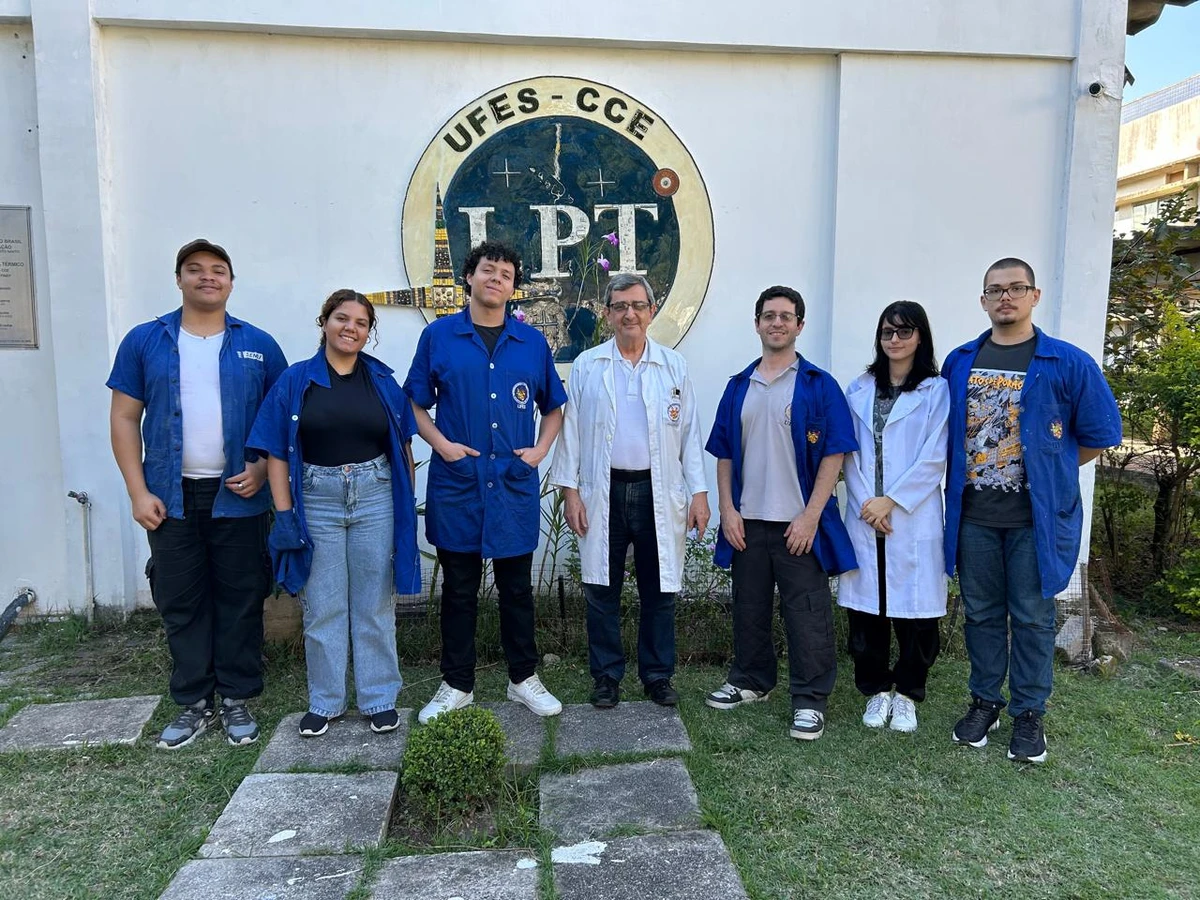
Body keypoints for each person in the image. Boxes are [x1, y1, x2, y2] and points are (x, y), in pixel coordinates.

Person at [108, 238, 287, 749]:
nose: (207, 277)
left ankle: (236, 696)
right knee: (180, 598)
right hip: (170, 496)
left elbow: (279, 420)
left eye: (217, 270)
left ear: (231, 282)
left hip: (239, 494)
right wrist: (138, 491)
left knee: (240, 595)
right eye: (195, 270)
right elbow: (123, 418)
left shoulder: (258, 344)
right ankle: (192, 701)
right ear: (180, 279)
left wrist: (259, 468)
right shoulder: (147, 341)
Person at [944, 257, 1121, 764]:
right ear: (983, 301)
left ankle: (1028, 714)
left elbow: (1096, 437)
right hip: (974, 516)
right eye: (995, 290)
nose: (1006, 297)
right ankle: (985, 702)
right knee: (979, 613)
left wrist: (1054, 468)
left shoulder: (1067, 362)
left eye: (1016, 288)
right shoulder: (960, 361)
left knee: (1032, 617)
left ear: (1034, 296)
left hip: (1035, 521)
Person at [404, 241, 567, 724]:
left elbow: (553, 406)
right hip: (459, 484)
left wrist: (540, 450)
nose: (497, 278)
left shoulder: (531, 344)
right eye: (488, 270)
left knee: (517, 588)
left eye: (507, 274)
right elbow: (414, 402)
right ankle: (457, 684)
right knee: (459, 588)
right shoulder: (439, 338)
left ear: (514, 288)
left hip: (512, 483)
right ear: (469, 277)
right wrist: (441, 445)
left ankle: (523, 679)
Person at [248, 290, 420, 737]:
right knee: (322, 604)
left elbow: (403, 447)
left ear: (369, 333)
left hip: (375, 494)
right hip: (317, 497)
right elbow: (278, 452)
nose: (351, 328)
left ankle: (379, 697)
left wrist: (405, 500)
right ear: (324, 322)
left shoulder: (382, 381)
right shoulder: (295, 381)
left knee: (374, 602)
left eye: (361, 323)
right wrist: (284, 514)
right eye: (342, 319)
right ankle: (325, 701)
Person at [704, 285, 858, 741]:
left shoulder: (818, 385)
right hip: (748, 523)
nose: (776, 323)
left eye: (785, 316)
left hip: (799, 523)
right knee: (748, 609)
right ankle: (752, 680)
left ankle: (810, 700)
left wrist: (811, 516)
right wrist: (727, 510)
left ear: (799, 326)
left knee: (807, 612)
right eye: (768, 315)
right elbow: (725, 454)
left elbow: (835, 454)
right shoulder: (739, 386)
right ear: (757, 324)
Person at [549, 273, 710, 708]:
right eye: (620, 306)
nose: (629, 313)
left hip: (658, 490)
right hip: (604, 490)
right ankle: (606, 677)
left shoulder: (672, 366)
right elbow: (572, 434)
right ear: (607, 313)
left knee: (659, 589)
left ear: (651, 311)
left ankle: (657, 675)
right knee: (601, 587)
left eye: (638, 305)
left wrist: (699, 493)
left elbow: (689, 434)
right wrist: (571, 493)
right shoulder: (588, 365)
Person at [839, 302, 949, 733]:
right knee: (867, 610)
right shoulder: (859, 388)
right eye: (887, 332)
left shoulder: (935, 391)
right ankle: (875, 690)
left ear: (920, 337)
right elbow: (847, 452)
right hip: (866, 513)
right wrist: (869, 503)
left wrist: (892, 501)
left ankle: (907, 694)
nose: (895, 340)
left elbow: (935, 456)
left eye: (904, 332)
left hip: (912, 514)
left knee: (916, 613)